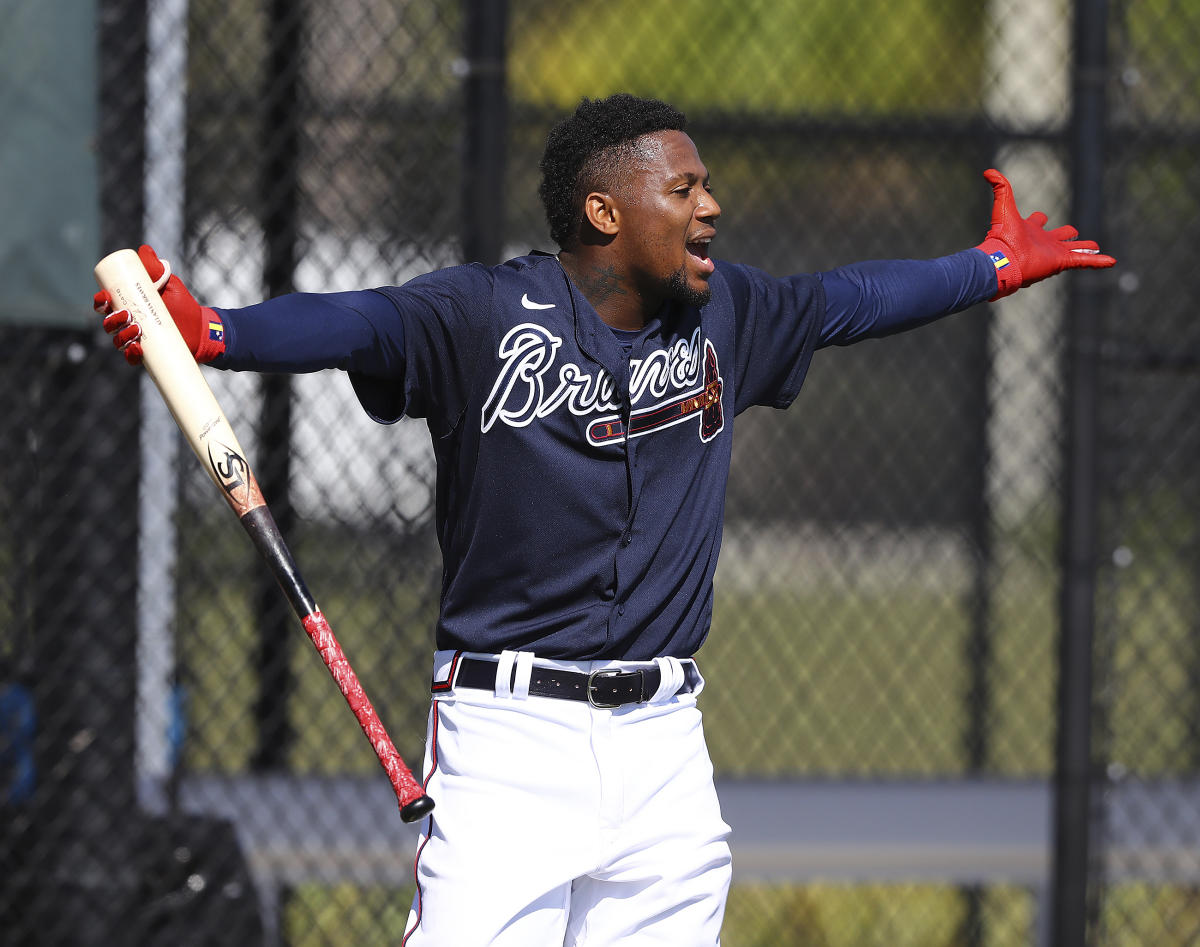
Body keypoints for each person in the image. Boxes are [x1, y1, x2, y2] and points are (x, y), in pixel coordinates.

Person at [96, 93, 1114, 945]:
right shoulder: (484, 314)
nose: (711, 206)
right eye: (684, 188)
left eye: (706, 184)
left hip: (665, 745)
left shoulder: (731, 314)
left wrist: (990, 268)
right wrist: (215, 332)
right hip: (509, 741)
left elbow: (850, 296)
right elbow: (360, 320)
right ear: (604, 210)